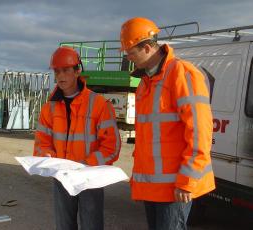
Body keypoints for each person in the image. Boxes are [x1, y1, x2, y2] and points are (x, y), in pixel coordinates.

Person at [120, 17, 215, 230]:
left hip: (176, 188)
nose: (129, 59)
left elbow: (200, 131)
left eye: (131, 53)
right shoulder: (145, 84)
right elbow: (148, 139)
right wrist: (139, 181)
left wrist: (188, 180)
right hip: (154, 188)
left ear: (146, 47)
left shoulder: (183, 74)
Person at [33, 46, 121, 230]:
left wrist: (85, 165)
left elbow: (111, 147)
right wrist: (48, 157)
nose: (60, 76)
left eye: (65, 70)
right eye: (57, 71)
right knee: (64, 226)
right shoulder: (49, 107)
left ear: (77, 70)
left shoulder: (98, 104)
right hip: (62, 177)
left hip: (89, 177)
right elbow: (42, 141)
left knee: (91, 225)